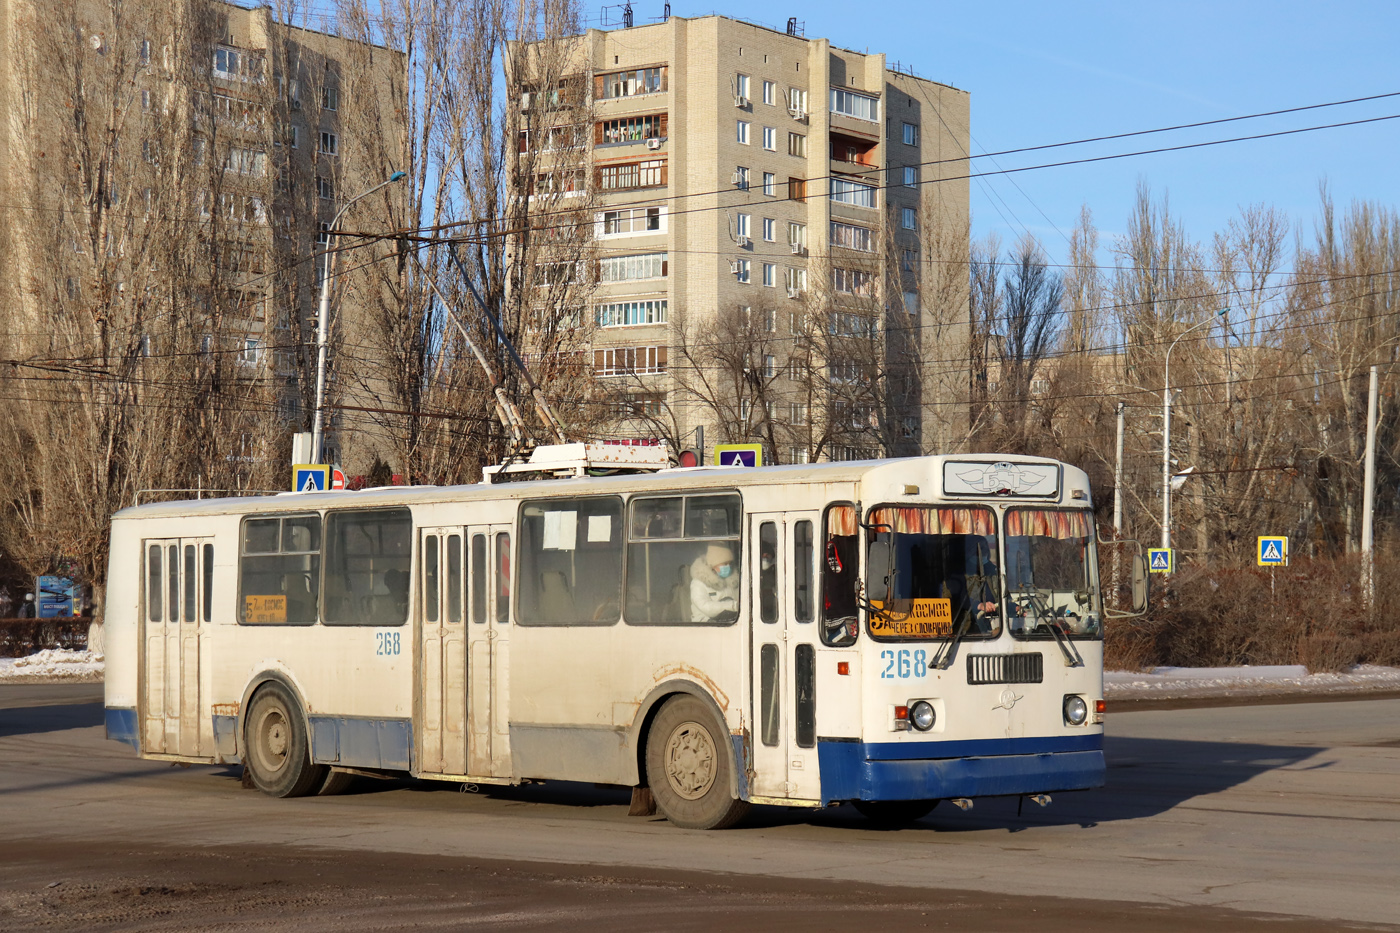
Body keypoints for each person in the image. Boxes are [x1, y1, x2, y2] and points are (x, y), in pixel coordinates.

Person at [690, 544, 739, 623]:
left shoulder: (732, 580)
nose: (728, 567)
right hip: (705, 624)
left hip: (731, 622)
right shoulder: (698, 583)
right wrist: (732, 605)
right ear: (713, 564)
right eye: (725, 564)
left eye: (730, 564)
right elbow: (705, 606)